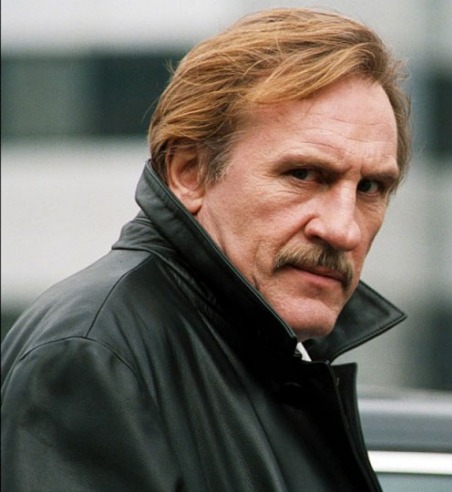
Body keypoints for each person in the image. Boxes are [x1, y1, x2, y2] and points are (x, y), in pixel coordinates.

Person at [1, 7, 410, 491]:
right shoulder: (91, 356)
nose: (343, 230)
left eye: (370, 188)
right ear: (188, 173)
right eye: (303, 174)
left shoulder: (252, 357)